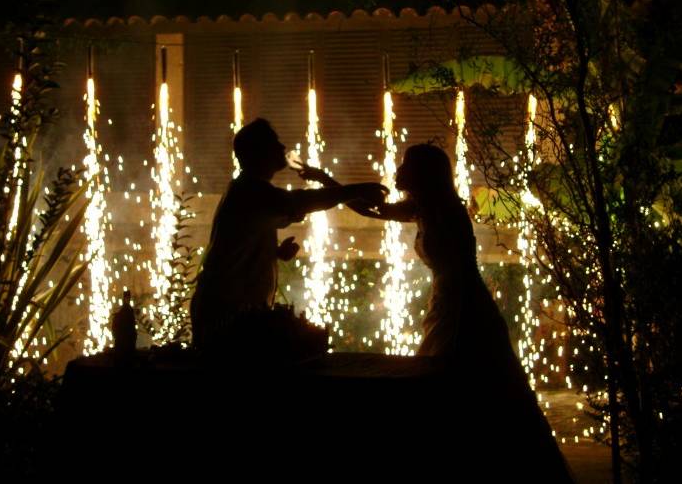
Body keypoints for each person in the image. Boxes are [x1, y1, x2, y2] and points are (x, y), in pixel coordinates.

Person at [299, 143, 574, 480]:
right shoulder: (424, 206)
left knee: (454, 378)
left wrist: (453, 317)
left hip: (462, 307)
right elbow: (371, 211)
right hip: (447, 301)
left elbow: (382, 214)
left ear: (423, 174)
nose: (398, 171)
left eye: (406, 165)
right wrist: (326, 180)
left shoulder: (444, 210)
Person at [189, 118, 388, 353]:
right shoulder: (252, 191)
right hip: (226, 313)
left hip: (231, 309)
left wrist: (273, 252)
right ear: (258, 153)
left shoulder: (247, 189)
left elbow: (241, 239)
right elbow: (300, 202)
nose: (283, 149)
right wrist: (357, 190)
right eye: (275, 144)